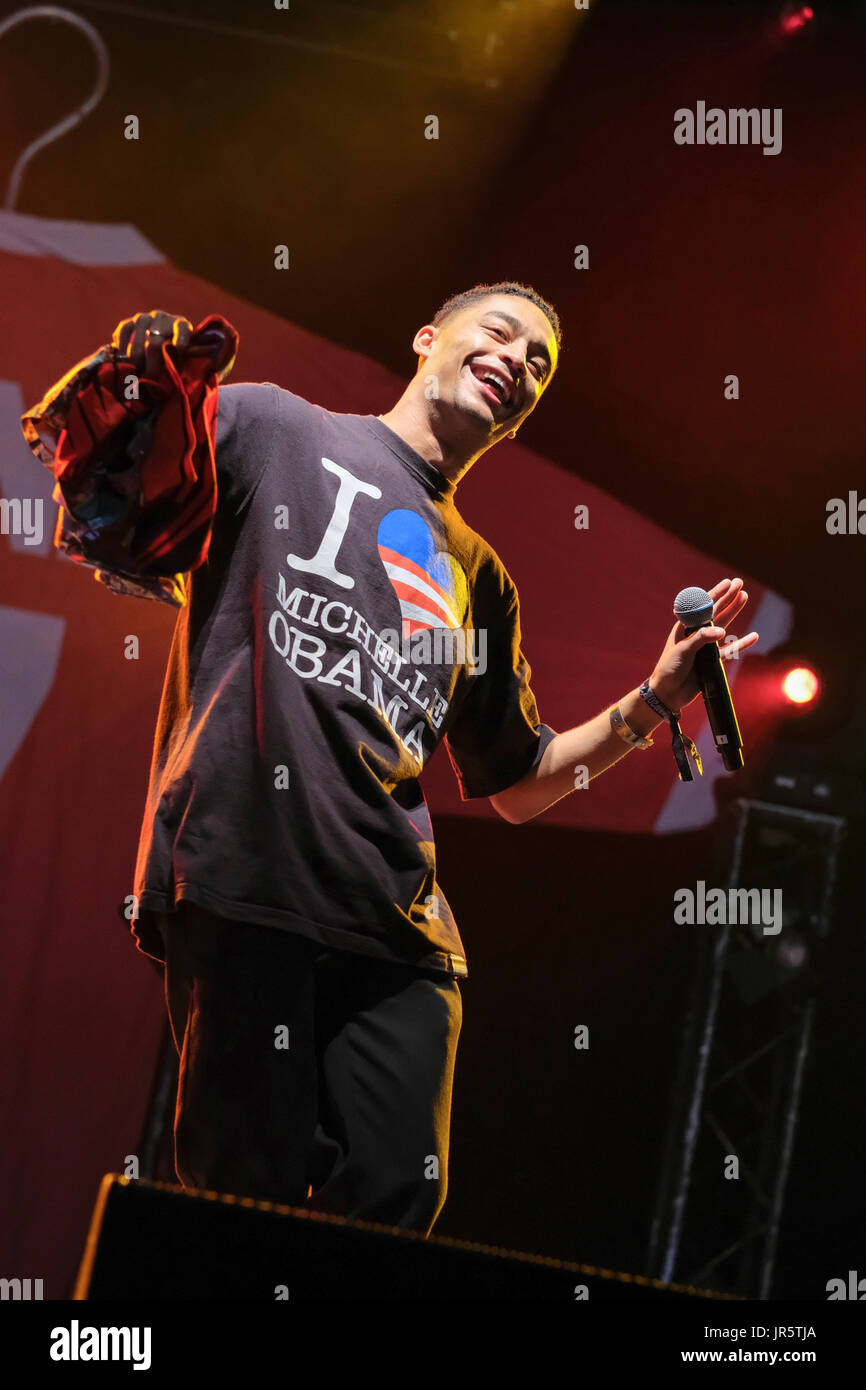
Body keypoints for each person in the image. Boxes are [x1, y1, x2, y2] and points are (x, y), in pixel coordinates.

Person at [123, 281, 757, 1237]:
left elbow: (518, 785)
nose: (520, 361)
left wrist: (654, 702)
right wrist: (138, 416)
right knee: (236, 1207)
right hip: (248, 883)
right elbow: (130, 506)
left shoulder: (478, 575)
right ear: (428, 338)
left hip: (399, 933)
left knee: (395, 1203)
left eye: (539, 365)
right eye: (502, 334)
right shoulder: (274, 426)